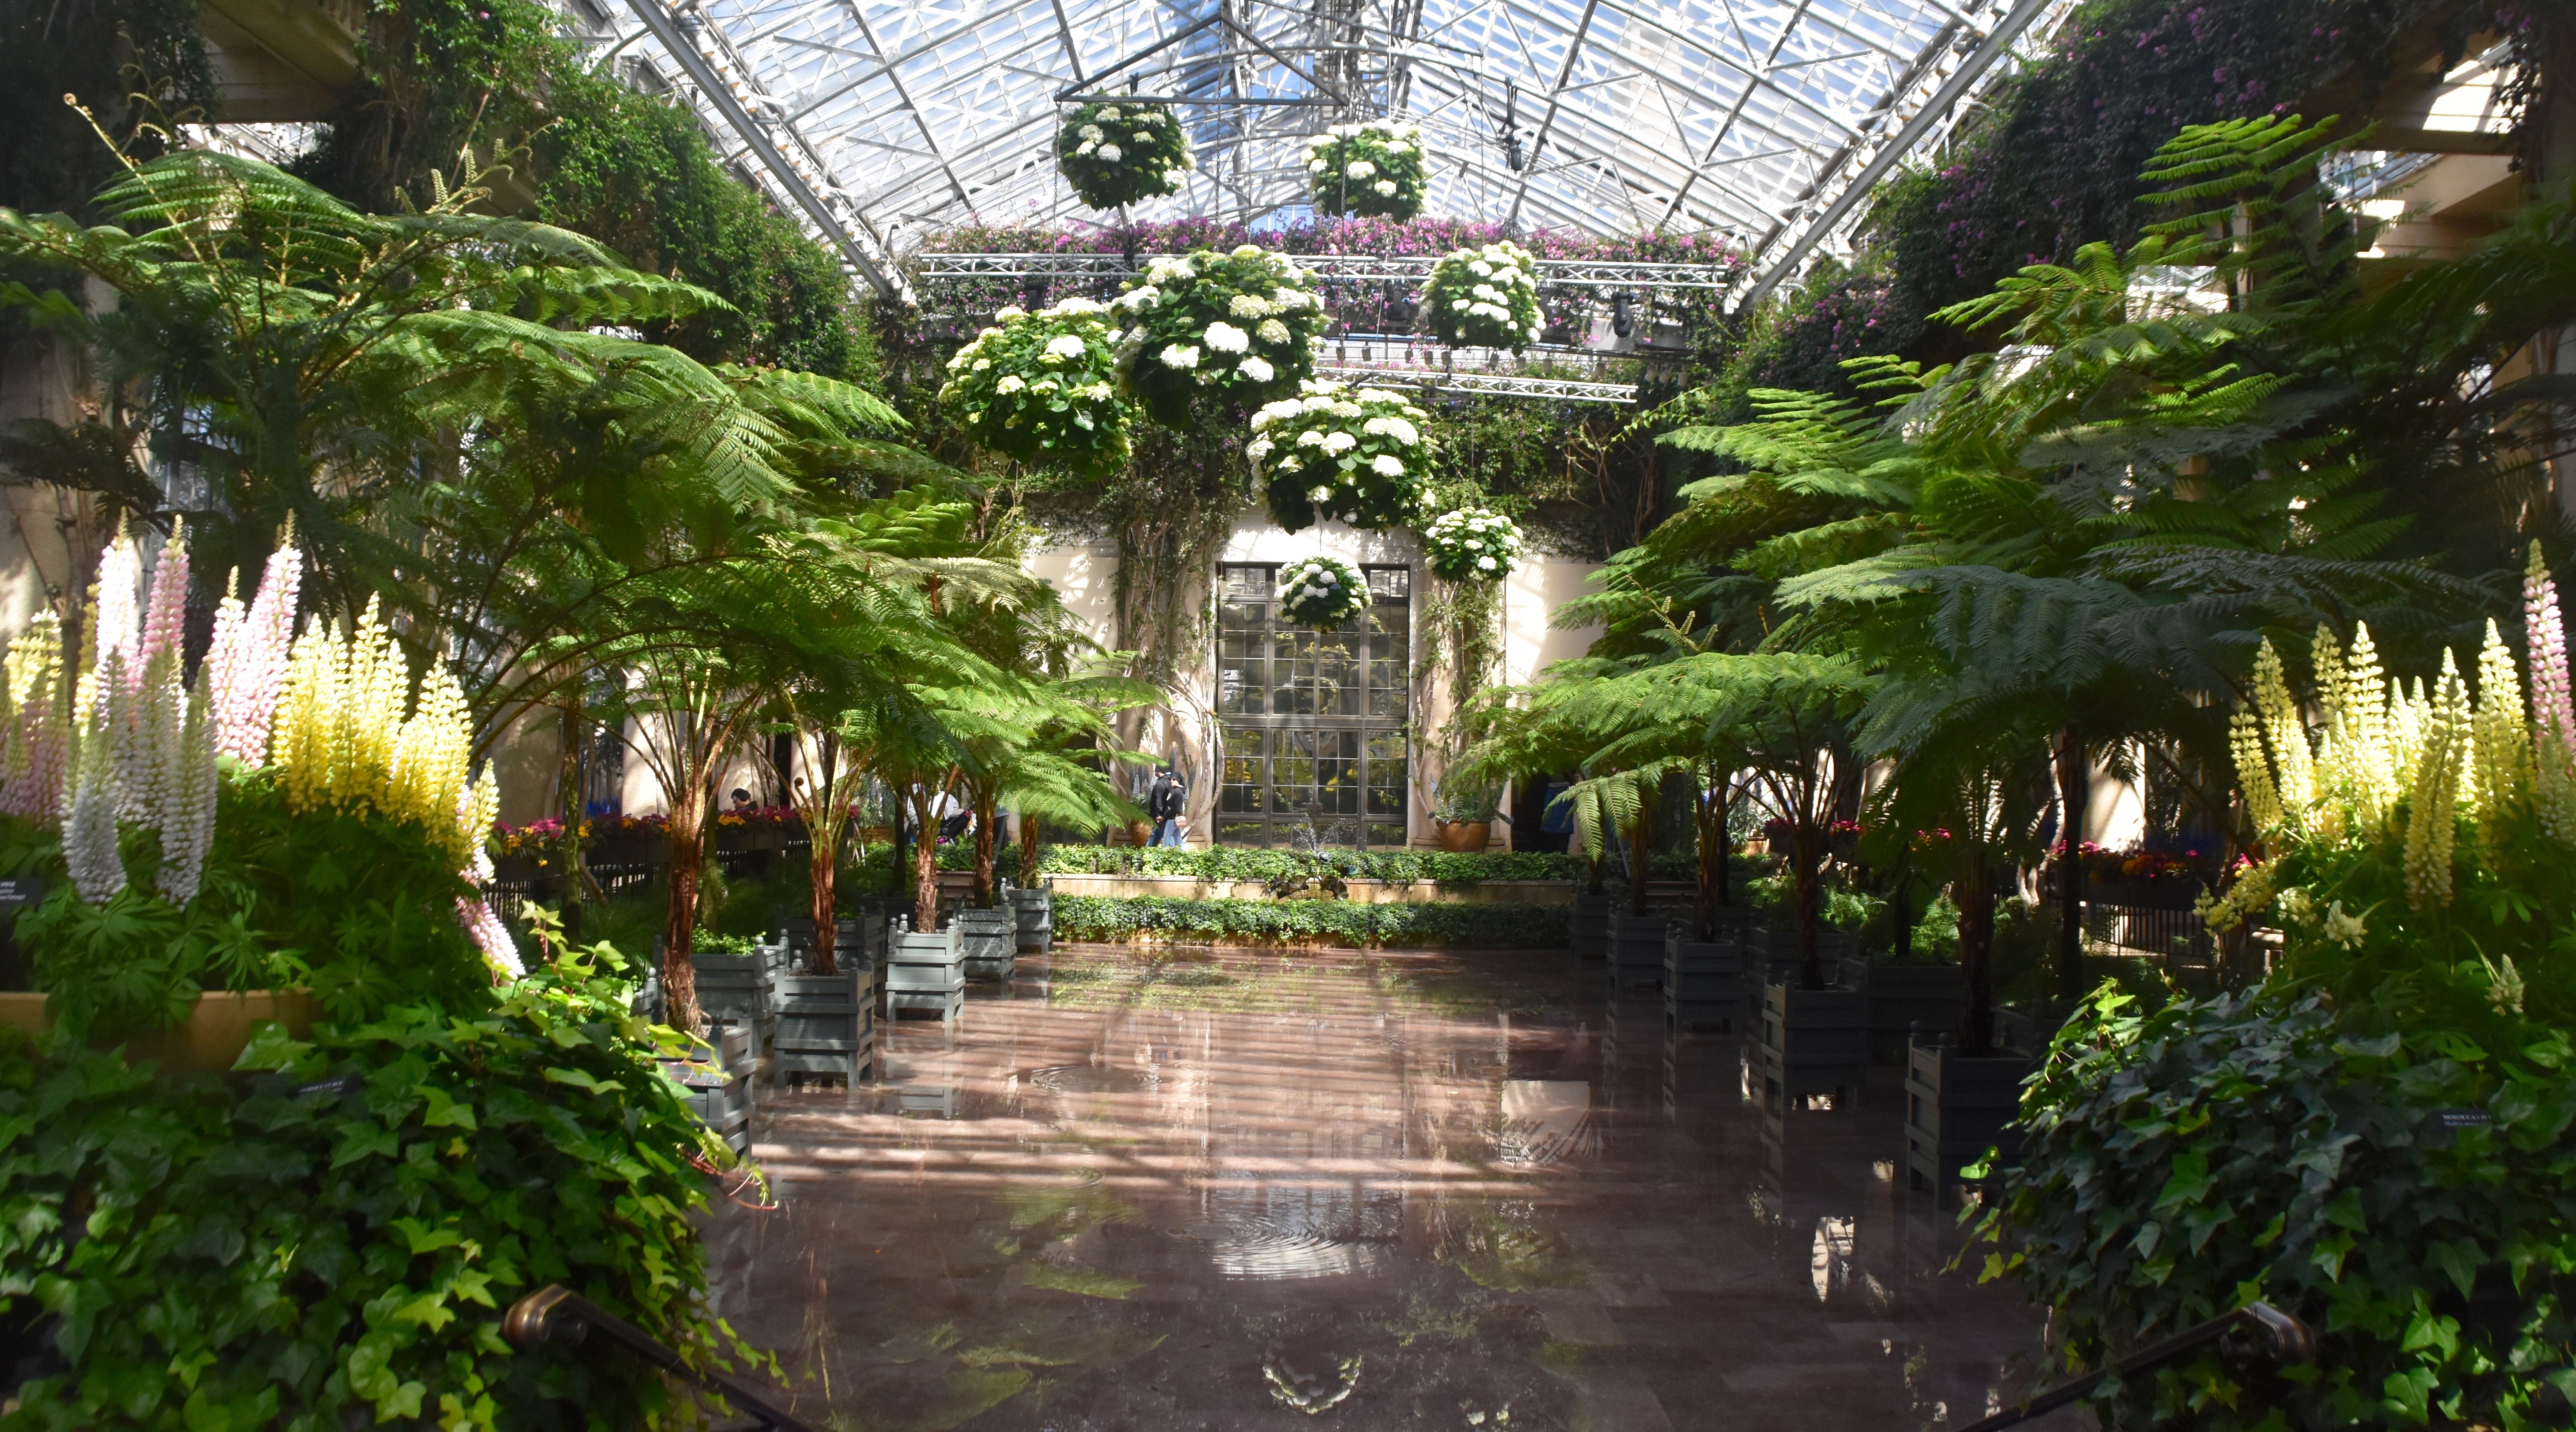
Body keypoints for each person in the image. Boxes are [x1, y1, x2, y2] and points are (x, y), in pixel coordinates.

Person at [1148, 764, 1188, 847]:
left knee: (1167, 838)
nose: (1172, 781)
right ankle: (1148, 852)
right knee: (1160, 834)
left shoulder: (1161, 784)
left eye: (1174, 780)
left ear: (1159, 771)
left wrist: (1159, 814)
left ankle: (1169, 854)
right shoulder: (1169, 784)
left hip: (1165, 816)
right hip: (1166, 815)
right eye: (1171, 779)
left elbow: (1159, 800)